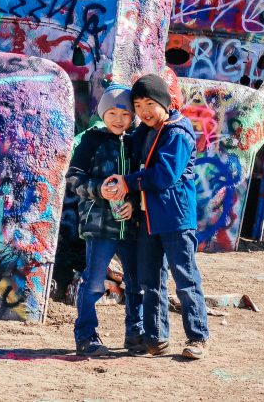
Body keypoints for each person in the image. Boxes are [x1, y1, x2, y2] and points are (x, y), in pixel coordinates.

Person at [102, 73, 210, 360]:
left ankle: (197, 337)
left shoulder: (177, 133)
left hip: (175, 220)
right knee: (151, 282)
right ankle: (156, 338)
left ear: (164, 102)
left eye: (149, 103)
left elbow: (164, 176)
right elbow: (124, 146)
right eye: (138, 106)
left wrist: (128, 182)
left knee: (185, 280)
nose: (144, 111)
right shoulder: (145, 132)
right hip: (148, 221)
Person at [67, 84, 145, 356]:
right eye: (111, 112)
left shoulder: (136, 141)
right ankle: (86, 335)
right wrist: (98, 189)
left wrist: (133, 204)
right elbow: (74, 177)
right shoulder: (92, 140)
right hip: (99, 225)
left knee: (137, 281)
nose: (118, 119)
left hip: (131, 226)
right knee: (94, 281)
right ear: (102, 113)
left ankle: (135, 334)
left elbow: (141, 180)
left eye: (124, 114)